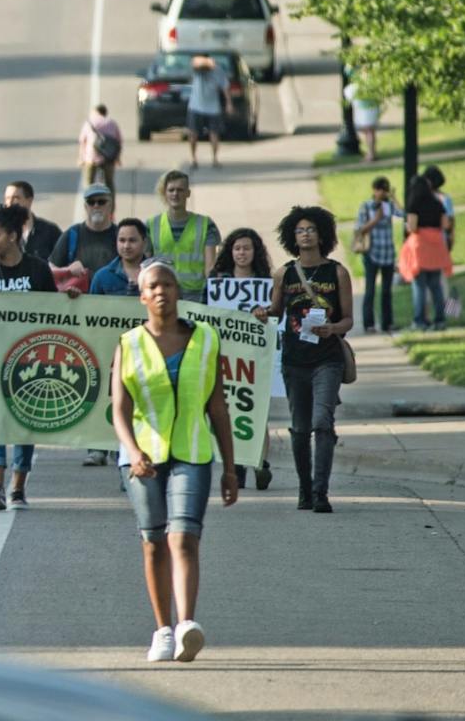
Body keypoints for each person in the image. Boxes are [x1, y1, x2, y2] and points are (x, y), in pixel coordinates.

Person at [110, 259, 238, 663]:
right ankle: (162, 630)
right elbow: (118, 409)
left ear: (178, 291)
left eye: (168, 284)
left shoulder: (206, 339)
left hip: (193, 451)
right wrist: (133, 452)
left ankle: (186, 626)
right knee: (153, 543)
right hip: (142, 457)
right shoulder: (128, 343)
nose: (162, 291)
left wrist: (231, 468)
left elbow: (218, 408)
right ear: (143, 296)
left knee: (183, 537)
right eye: (154, 286)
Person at [257, 205, 352, 513]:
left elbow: (348, 318)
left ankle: (320, 491)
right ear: (292, 237)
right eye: (300, 230)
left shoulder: (336, 272)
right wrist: (262, 313)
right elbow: (275, 311)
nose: (306, 234)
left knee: (322, 423)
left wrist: (334, 328)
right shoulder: (284, 273)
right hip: (295, 359)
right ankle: (304, 489)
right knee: (299, 428)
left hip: (328, 358)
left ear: (322, 234)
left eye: (311, 229)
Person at [0, 203, 61, 511]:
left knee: (25, 418)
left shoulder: (37, 269)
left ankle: (18, 486)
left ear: (13, 236)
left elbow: (54, 311)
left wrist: (72, 299)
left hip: (29, 357)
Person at [208, 227, 277, 490]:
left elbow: (276, 317)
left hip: (255, 357)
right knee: (230, 410)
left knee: (258, 411)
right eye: (237, 248)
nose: (241, 253)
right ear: (230, 252)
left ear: (255, 251)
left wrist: (266, 313)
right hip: (226, 357)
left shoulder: (266, 283)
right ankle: (235, 463)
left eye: (247, 248)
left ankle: (260, 462)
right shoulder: (217, 282)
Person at [149, 171, 219, 301]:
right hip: (163, 294)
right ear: (165, 193)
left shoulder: (205, 224)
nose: (175, 194)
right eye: (171, 190)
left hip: (196, 297)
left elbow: (210, 268)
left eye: (180, 190)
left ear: (188, 193)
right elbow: (146, 265)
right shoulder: (151, 225)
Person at [399, 169, 454, 331]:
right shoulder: (437, 203)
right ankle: (440, 319)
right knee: (436, 286)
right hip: (436, 247)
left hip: (419, 248)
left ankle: (419, 320)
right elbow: (445, 225)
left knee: (419, 287)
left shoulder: (413, 205)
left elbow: (412, 227)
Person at [352, 177, 400, 334]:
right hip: (371, 253)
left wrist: (394, 199)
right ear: (374, 190)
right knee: (370, 290)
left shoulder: (389, 205)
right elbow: (359, 229)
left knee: (386, 291)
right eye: (381, 190)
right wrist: (376, 219)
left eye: (385, 190)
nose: (382, 193)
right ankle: (369, 324)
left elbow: (404, 214)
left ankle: (388, 323)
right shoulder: (366, 206)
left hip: (388, 252)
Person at [51, 183, 120, 287]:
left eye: (101, 202)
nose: (96, 206)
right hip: (79, 299)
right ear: (85, 206)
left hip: (111, 299)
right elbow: (51, 268)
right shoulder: (72, 234)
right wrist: (67, 270)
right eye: (91, 202)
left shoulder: (121, 236)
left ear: (110, 205)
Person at [2, 181, 62, 264]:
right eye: (7, 198)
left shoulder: (50, 231)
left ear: (29, 200)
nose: (9, 203)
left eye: (15, 198)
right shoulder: (0, 233)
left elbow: (64, 262)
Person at [185, 53, 227, 169]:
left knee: (214, 133)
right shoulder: (198, 70)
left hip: (213, 107)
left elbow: (224, 86)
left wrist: (229, 104)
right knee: (193, 133)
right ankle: (193, 158)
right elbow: (195, 62)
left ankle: (214, 158)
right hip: (196, 106)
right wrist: (208, 62)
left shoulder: (218, 70)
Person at [88, 218, 147, 299]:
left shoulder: (156, 274)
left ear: (144, 242)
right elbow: (92, 308)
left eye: (132, 240)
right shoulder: (102, 277)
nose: (126, 246)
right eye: (122, 240)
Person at [78, 104, 123, 193]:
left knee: (88, 183)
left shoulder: (89, 123)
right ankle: (111, 205)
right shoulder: (112, 123)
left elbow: (82, 141)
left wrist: (81, 158)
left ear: (96, 112)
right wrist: (117, 158)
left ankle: (89, 204)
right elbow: (119, 141)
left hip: (91, 157)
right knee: (109, 183)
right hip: (109, 157)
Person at [346, 80, 382, 166]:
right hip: (368, 107)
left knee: (369, 131)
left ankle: (371, 154)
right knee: (368, 131)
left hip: (367, 108)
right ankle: (371, 152)